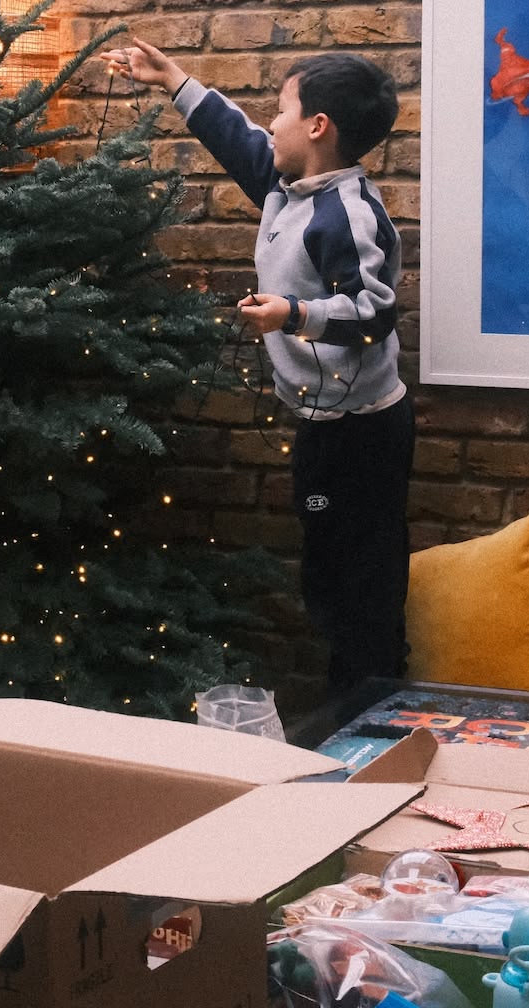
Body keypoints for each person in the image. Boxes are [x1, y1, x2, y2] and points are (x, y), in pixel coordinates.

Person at [107, 40, 410, 696]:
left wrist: (291, 314)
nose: (270, 123)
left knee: (360, 582)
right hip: (324, 425)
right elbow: (237, 138)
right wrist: (173, 79)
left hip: (359, 439)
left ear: (317, 128)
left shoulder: (345, 214)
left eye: (282, 110)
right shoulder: (290, 186)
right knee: (329, 567)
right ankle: (357, 700)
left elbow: (373, 310)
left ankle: (372, 712)